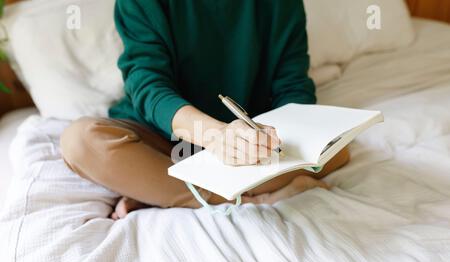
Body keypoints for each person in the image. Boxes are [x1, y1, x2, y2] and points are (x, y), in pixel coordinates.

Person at [60, 0, 350, 220]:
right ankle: (251, 201)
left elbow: (293, 86)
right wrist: (214, 136)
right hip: (166, 139)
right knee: (80, 142)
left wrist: (271, 138)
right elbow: (148, 86)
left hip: (249, 145)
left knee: (338, 150)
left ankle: (160, 192)